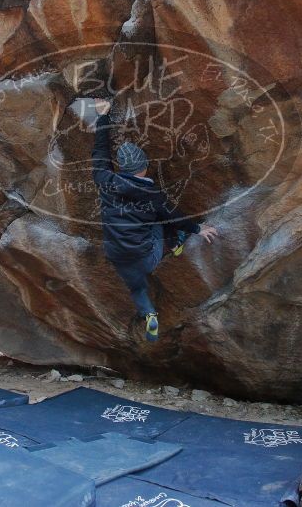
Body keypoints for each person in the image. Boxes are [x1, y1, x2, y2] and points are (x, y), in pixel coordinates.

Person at [90, 99, 218, 342]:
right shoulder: (152, 194)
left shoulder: (105, 181)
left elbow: (100, 152)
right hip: (146, 256)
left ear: (121, 169)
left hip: (117, 254)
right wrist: (197, 228)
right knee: (161, 220)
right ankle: (176, 242)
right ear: (145, 167)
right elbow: (174, 216)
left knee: (136, 287)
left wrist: (102, 116)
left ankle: (149, 314)